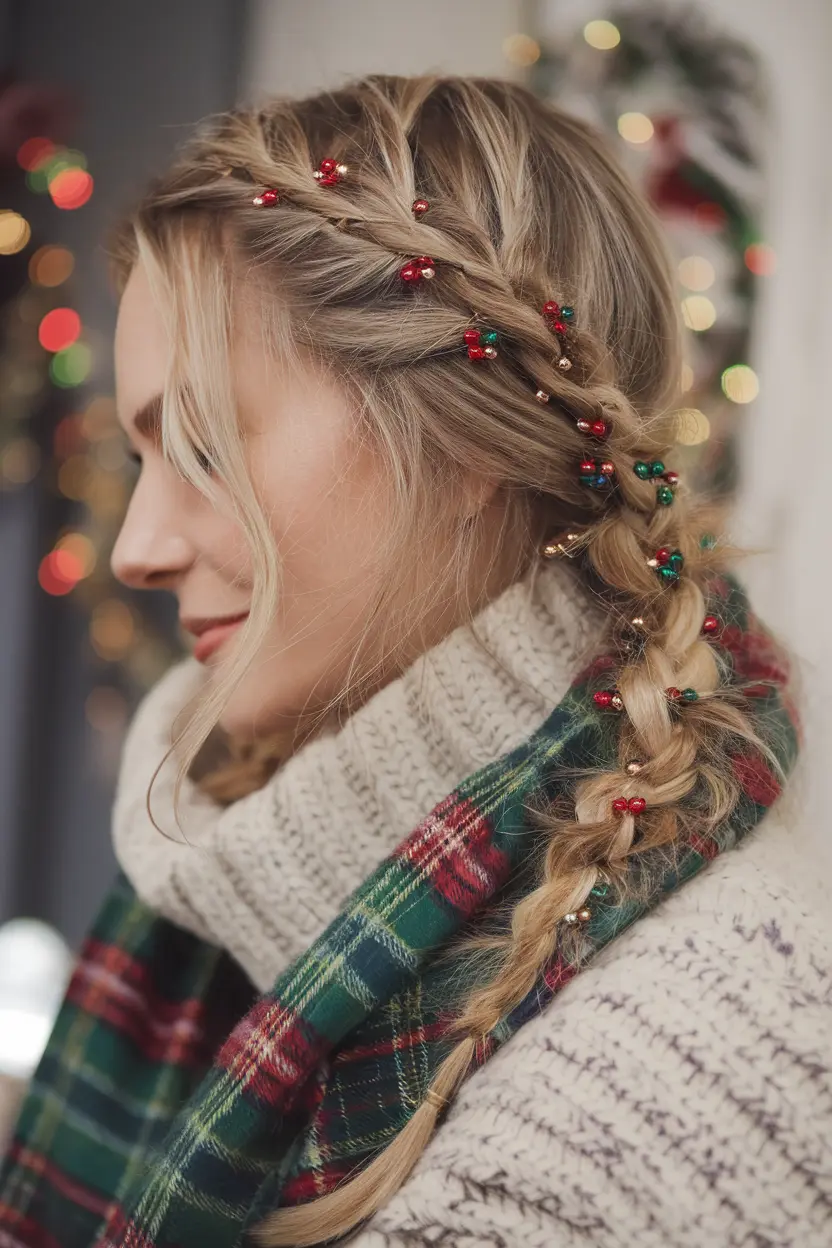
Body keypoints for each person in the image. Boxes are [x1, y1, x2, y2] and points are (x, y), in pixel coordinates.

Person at [0, 75, 828, 1248]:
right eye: (141, 461)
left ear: (462, 429)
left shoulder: (653, 1098)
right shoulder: (230, 889)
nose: (135, 549)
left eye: (201, 443)